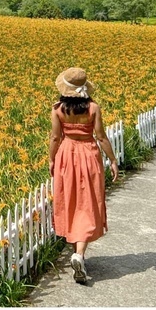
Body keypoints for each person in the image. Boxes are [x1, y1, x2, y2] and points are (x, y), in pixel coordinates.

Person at [49, 67, 119, 285]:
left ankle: (78, 255)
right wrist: (113, 159)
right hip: (88, 154)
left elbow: (54, 137)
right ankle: (79, 255)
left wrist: (52, 159)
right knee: (87, 202)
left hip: (67, 155)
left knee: (70, 201)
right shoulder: (93, 108)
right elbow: (101, 137)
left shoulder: (58, 109)